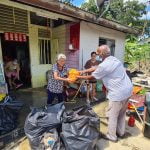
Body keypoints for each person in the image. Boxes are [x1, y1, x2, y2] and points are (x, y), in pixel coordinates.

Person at [78, 45, 133, 142]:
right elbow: (95, 67)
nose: (97, 55)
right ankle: (121, 132)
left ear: (102, 54)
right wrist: (82, 71)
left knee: (112, 115)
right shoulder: (114, 60)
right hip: (128, 90)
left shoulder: (104, 65)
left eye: (98, 53)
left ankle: (112, 136)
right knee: (121, 114)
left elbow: (92, 77)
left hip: (118, 93)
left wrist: (78, 77)